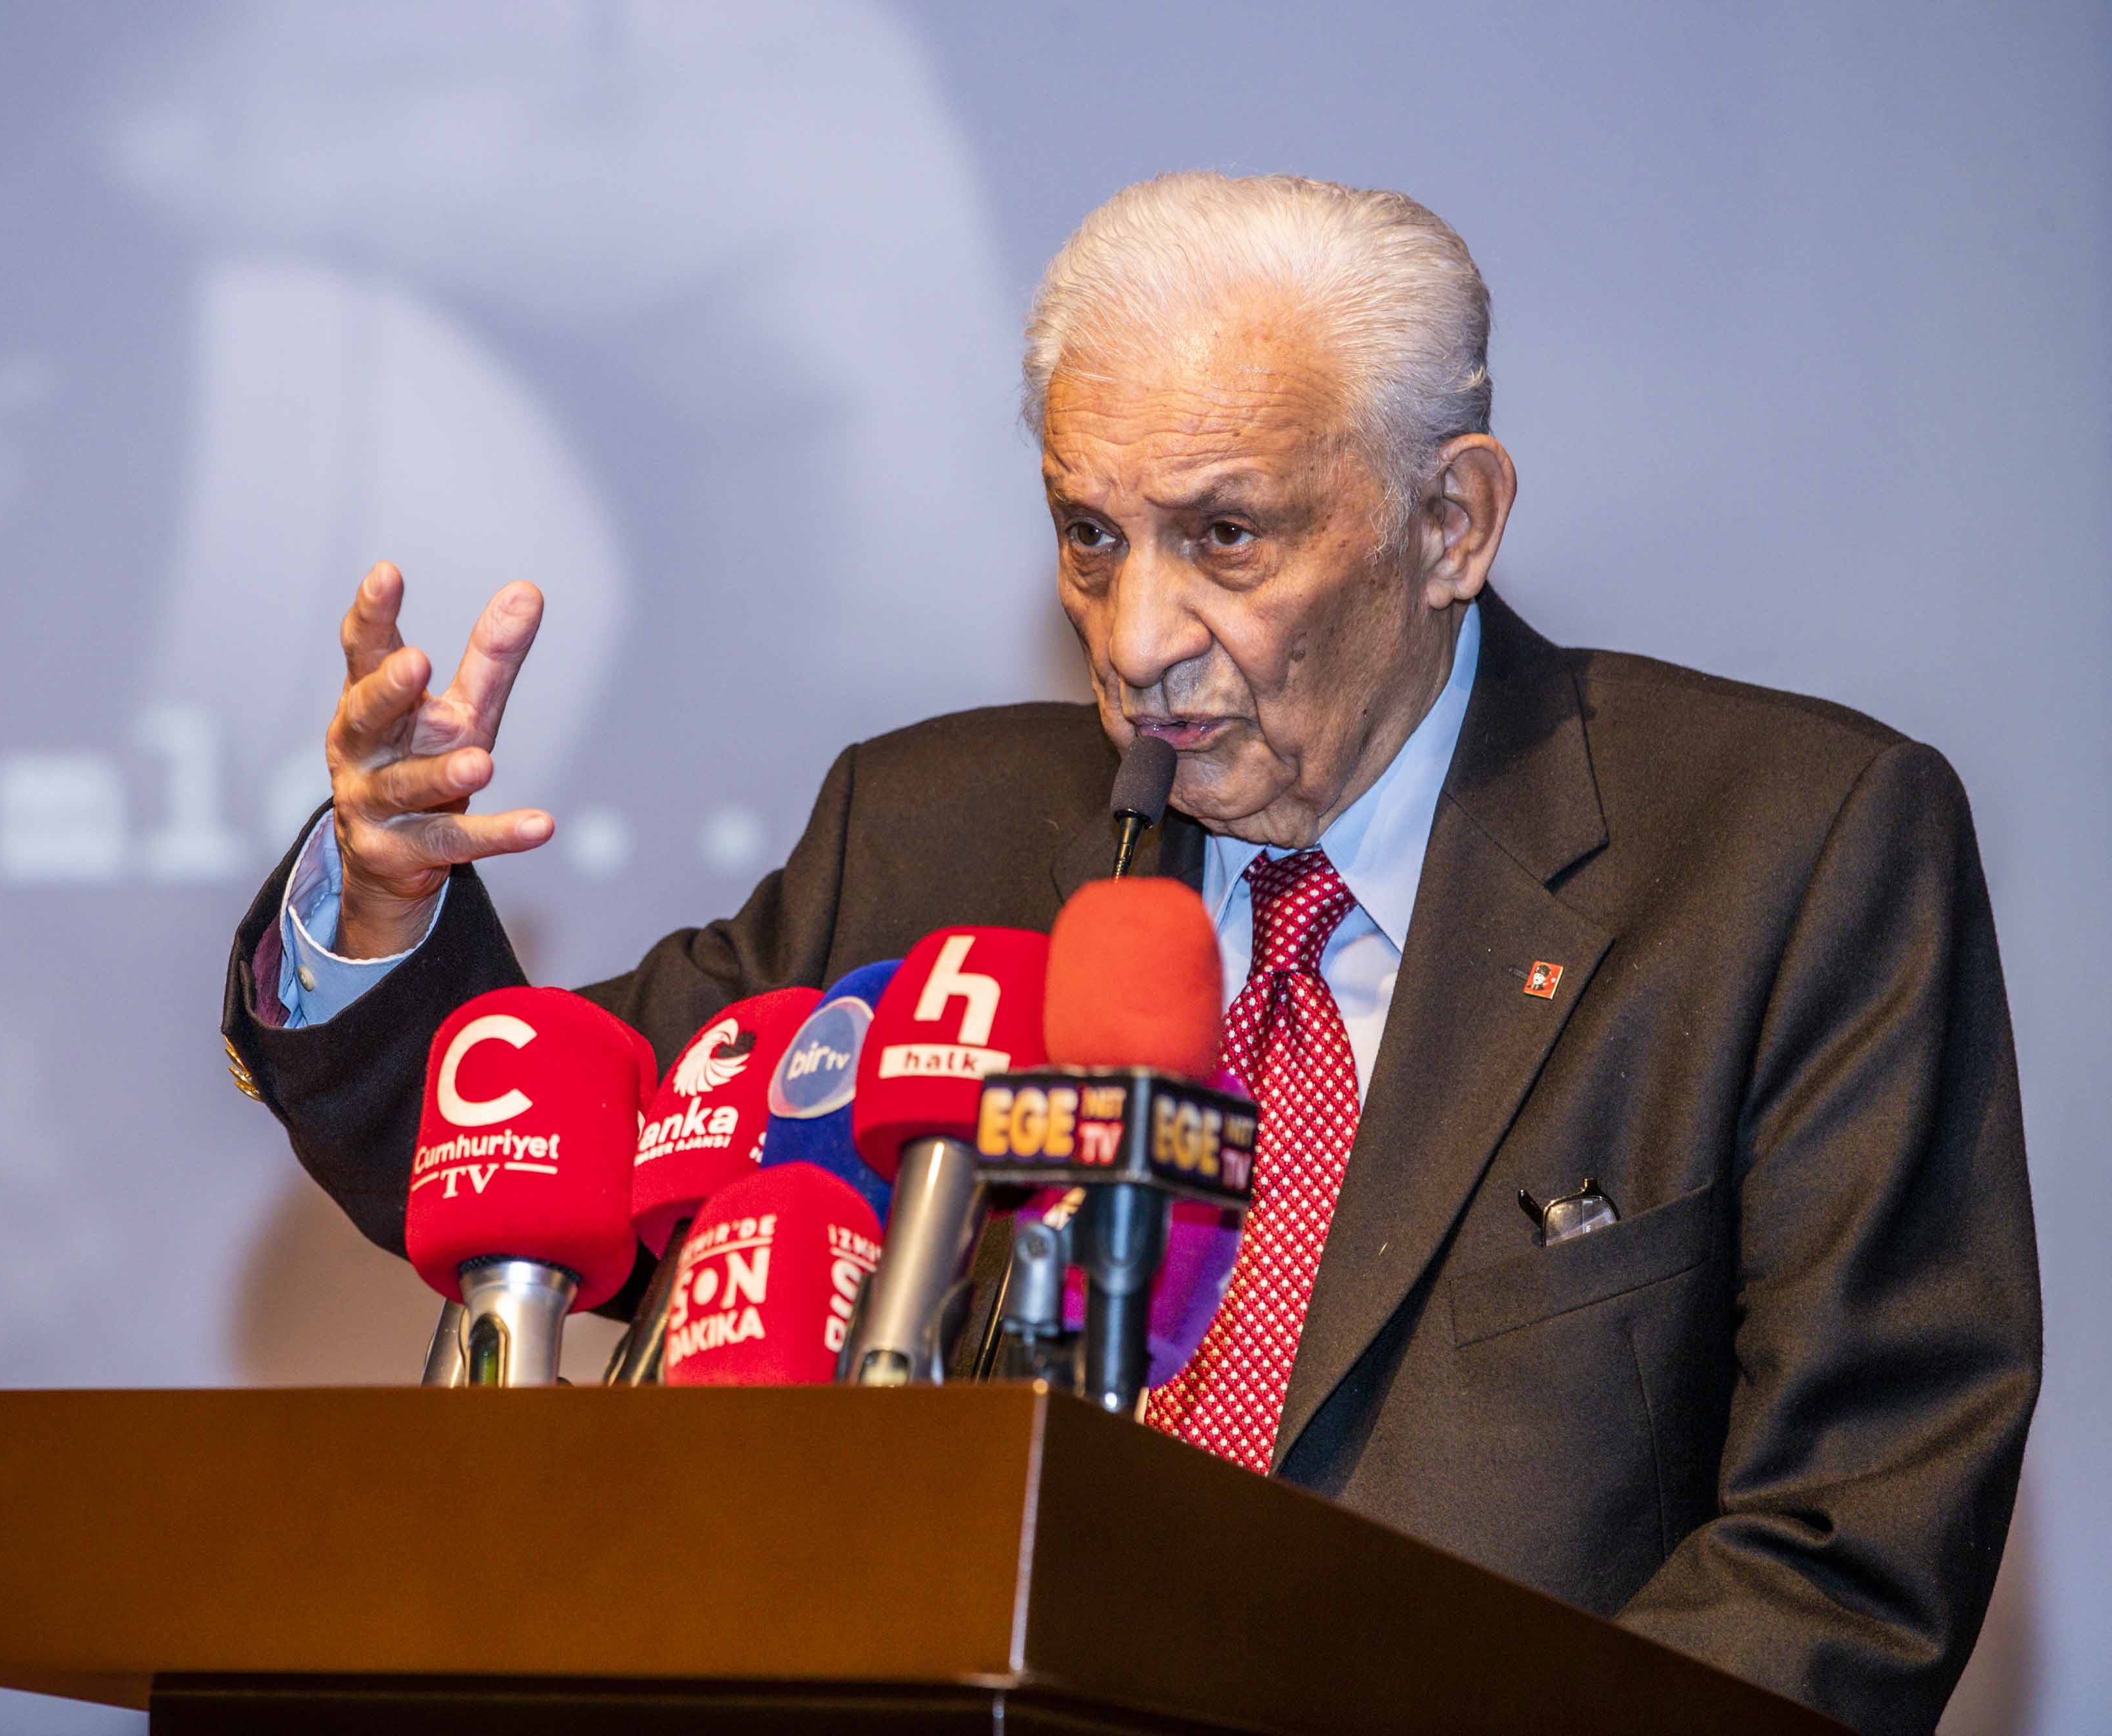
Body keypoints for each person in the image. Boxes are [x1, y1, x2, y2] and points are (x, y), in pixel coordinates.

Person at [219, 173, 2038, 1734]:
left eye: (1226, 536)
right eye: (1089, 536)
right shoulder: (929, 836)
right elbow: (549, 1163)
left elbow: (1850, 1544)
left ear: (1450, 521)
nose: (1138, 636)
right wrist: (383, 909)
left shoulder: (1784, 848)